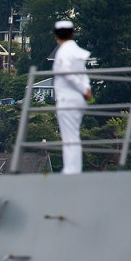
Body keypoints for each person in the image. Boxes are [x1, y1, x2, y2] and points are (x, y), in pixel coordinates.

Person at [52, 20, 92, 174]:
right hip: (78, 99)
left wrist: (83, 89)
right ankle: (73, 168)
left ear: (56, 34)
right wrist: (86, 88)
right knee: (73, 135)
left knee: (69, 137)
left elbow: (67, 74)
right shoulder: (76, 50)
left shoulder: (62, 52)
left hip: (67, 98)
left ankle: (71, 169)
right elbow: (82, 74)